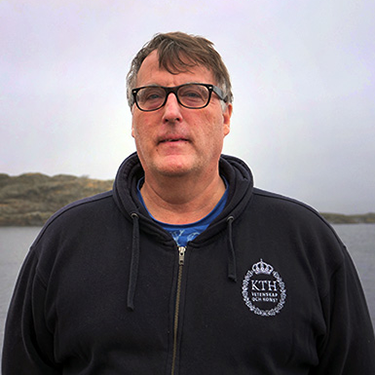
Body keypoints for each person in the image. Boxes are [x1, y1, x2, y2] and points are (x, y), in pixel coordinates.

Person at [2, 31, 375, 374]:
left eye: (194, 94)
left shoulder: (307, 241)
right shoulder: (64, 241)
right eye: (151, 96)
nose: (171, 112)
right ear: (133, 120)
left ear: (225, 116)